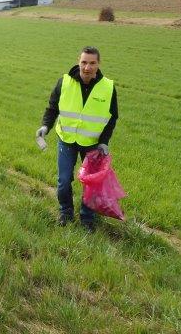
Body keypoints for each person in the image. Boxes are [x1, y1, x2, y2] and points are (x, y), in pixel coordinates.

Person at [36, 46, 118, 233]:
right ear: (78, 61)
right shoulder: (64, 82)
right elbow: (52, 108)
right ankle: (66, 213)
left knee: (91, 184)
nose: (87, 67)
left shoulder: (108, 87)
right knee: (64, 181)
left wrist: (104, 141)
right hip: (66, 140)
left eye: (92, 63)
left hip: (93, 145)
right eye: (84, 62)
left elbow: (112, 117)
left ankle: (87, 219)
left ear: (98, 64)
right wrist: (45, 127)